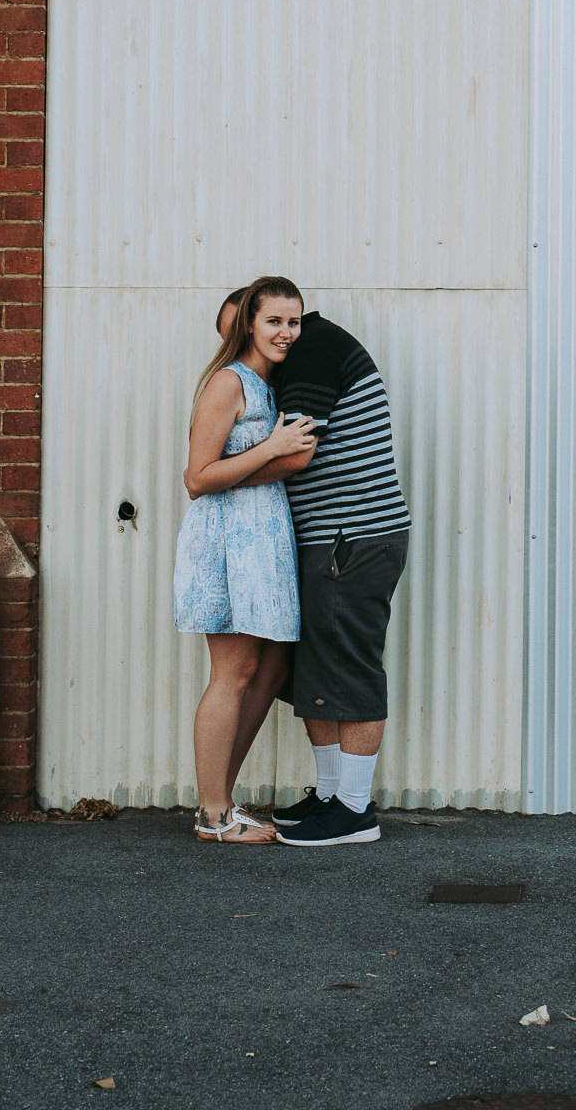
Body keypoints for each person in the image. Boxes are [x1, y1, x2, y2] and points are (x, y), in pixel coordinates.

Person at [173, 277, 318, 843]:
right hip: (228, 541)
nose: (286, 332)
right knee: (231, 673)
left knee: (272, 667)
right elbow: (197, 478)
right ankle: (214, 814)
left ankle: (221, 798)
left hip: (266, 536)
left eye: (294, 321)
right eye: (274, 321)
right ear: (248, 326)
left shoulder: (271, 383)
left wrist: (286, 460)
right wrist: (276, 450)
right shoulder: (228, 383)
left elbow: (284, 466)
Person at [268, 306, 411, 847]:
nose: (266, 339)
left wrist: (216, 475)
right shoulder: (306, 352)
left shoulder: (311, 351)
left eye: (243, 328)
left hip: (351, 538)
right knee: (318, 670)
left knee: (348, 667)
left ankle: (354, 811)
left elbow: (297, 453)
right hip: (333, 539)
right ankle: (331, 793)